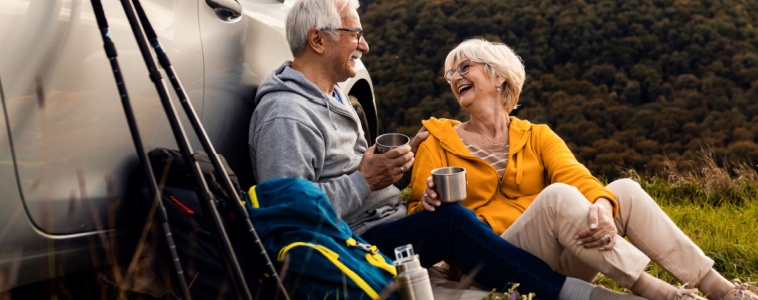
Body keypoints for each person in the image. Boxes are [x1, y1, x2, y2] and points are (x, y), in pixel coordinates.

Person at [247, 1, 641, 299]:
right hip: (351, 246)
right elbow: (289, 220)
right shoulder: (287, 116)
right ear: (318, 39)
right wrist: (366, 180)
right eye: (355, 33)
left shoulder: (330, 96)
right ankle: (572, 293)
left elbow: (348, 179)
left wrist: (395, 169)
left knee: (451, 222)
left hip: (379, 225)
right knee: (451, 221)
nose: (364, 45)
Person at [409, 38, 758, 300]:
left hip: (555, 259)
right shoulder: (437, 140)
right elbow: (417, 218)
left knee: (622, 190)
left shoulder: (535, 135)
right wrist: (429, 204)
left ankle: (720, 288)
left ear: (499, 77)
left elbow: (576, 175)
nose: (454, 77)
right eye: (450, 73)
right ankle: (666, 295)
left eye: (464, 67)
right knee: (558, 198)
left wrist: (604, 207)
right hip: (489, 262)